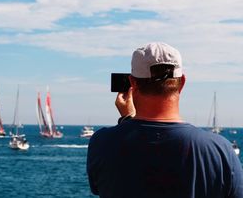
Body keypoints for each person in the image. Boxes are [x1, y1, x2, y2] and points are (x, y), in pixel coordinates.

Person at [87, 42, 243, 198]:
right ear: (182, 82)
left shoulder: (102, 143)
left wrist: (128, 120)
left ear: (132, 83)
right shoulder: (220, 150)